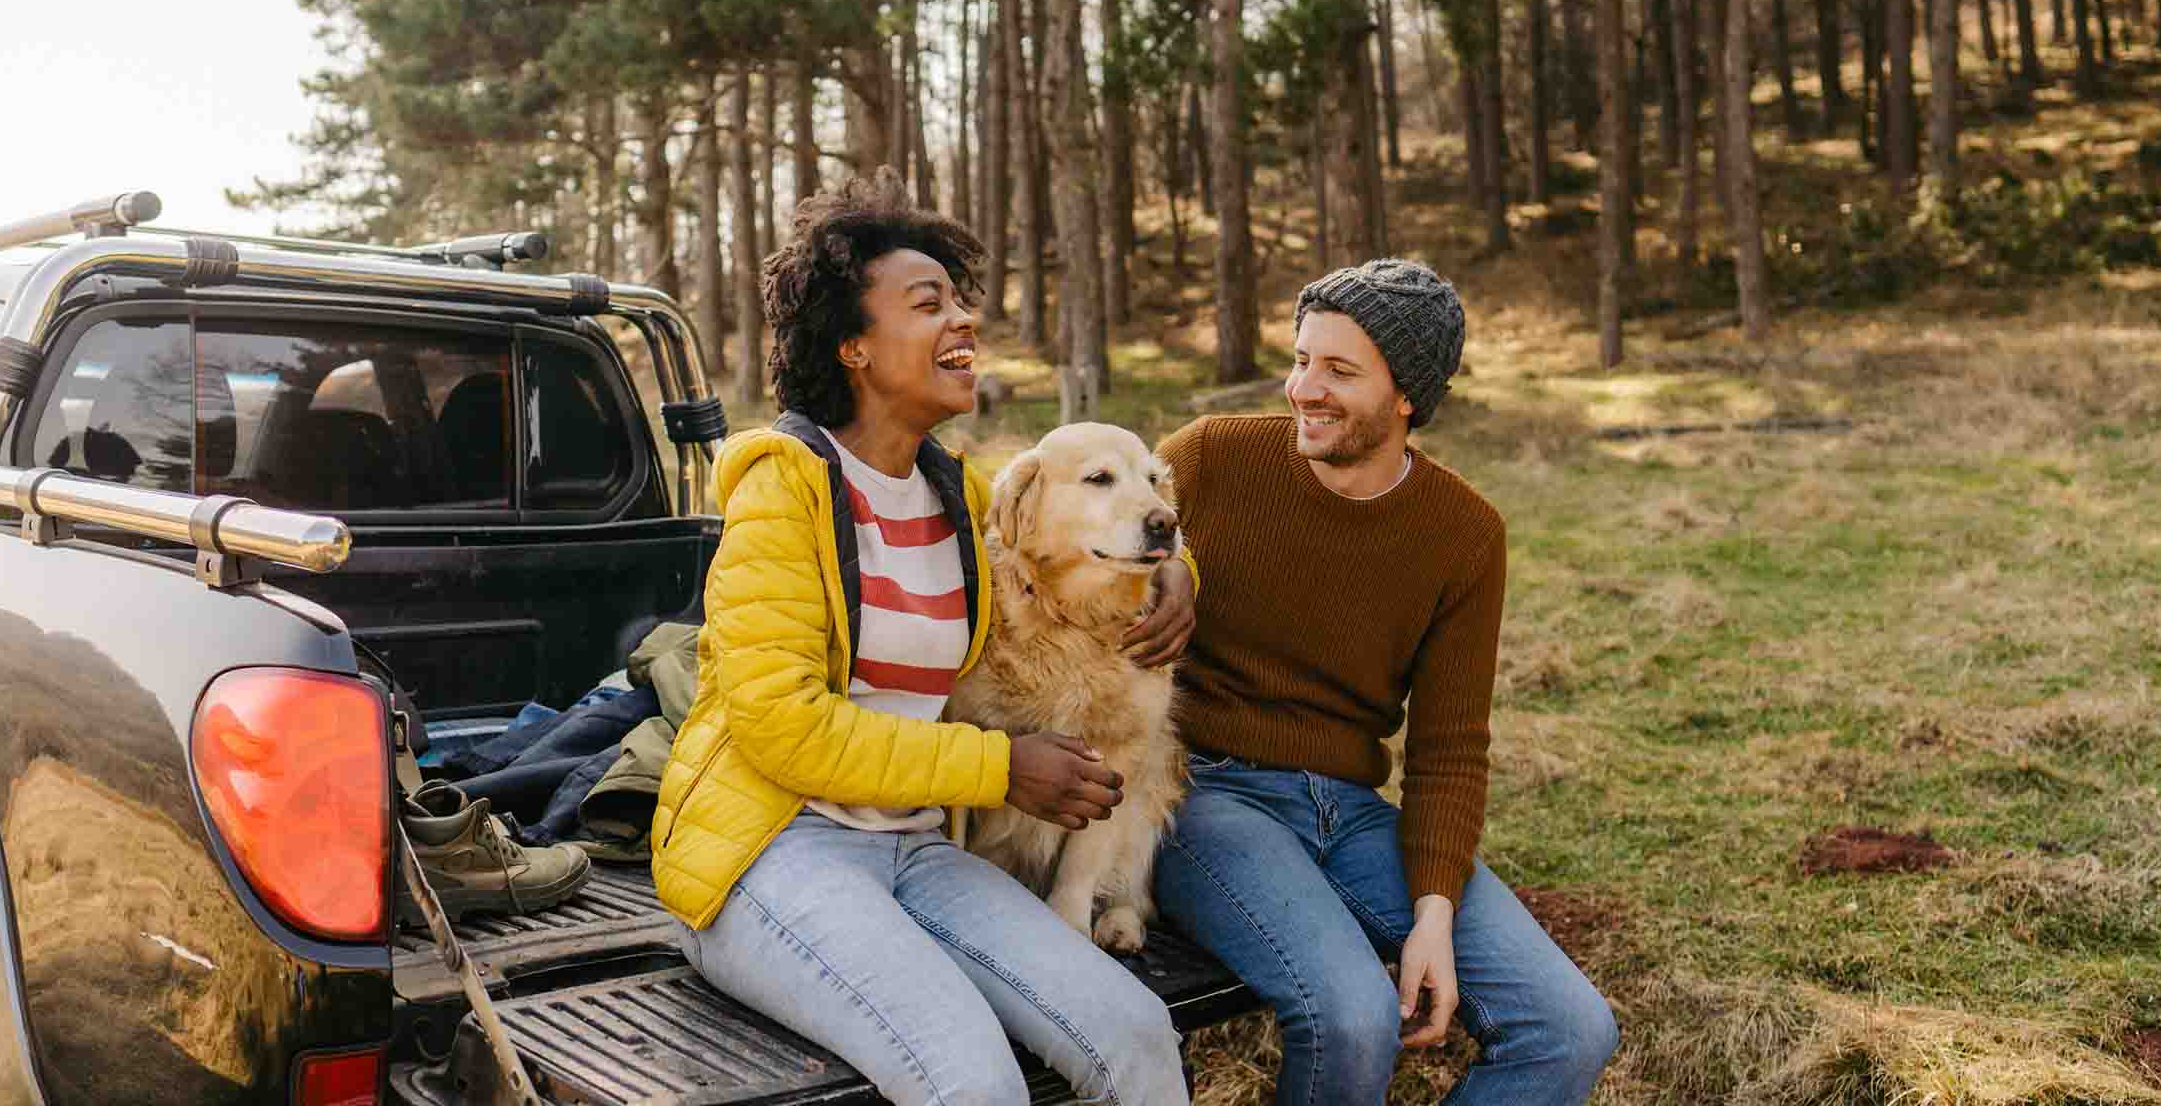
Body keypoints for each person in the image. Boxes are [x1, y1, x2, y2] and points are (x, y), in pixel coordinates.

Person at [650, 173, 1190, 1106]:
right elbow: (783, 729)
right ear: (853, 346)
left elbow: (1098, 520)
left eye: (963, 302)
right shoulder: (784, 494)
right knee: (972, 1083)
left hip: (919, 846)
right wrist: (997, 767)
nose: (963, 323)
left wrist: (1182, 567)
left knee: (1140, 1039)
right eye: (928, 303)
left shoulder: (962, 498)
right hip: (775, 851)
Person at [1126, 260, 1619, 1104]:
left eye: (1339, 371)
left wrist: (1433, 911)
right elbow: (1096, 540)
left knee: (1570, 1030)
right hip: (1205, 795)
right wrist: (1171, 565)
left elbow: (1450, 749)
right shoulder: (1210, 457)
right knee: (1352, 1013)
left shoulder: (1463, 534)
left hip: (1351, 814)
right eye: (1302, 359)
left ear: (1406, 399)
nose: (1303, 389)